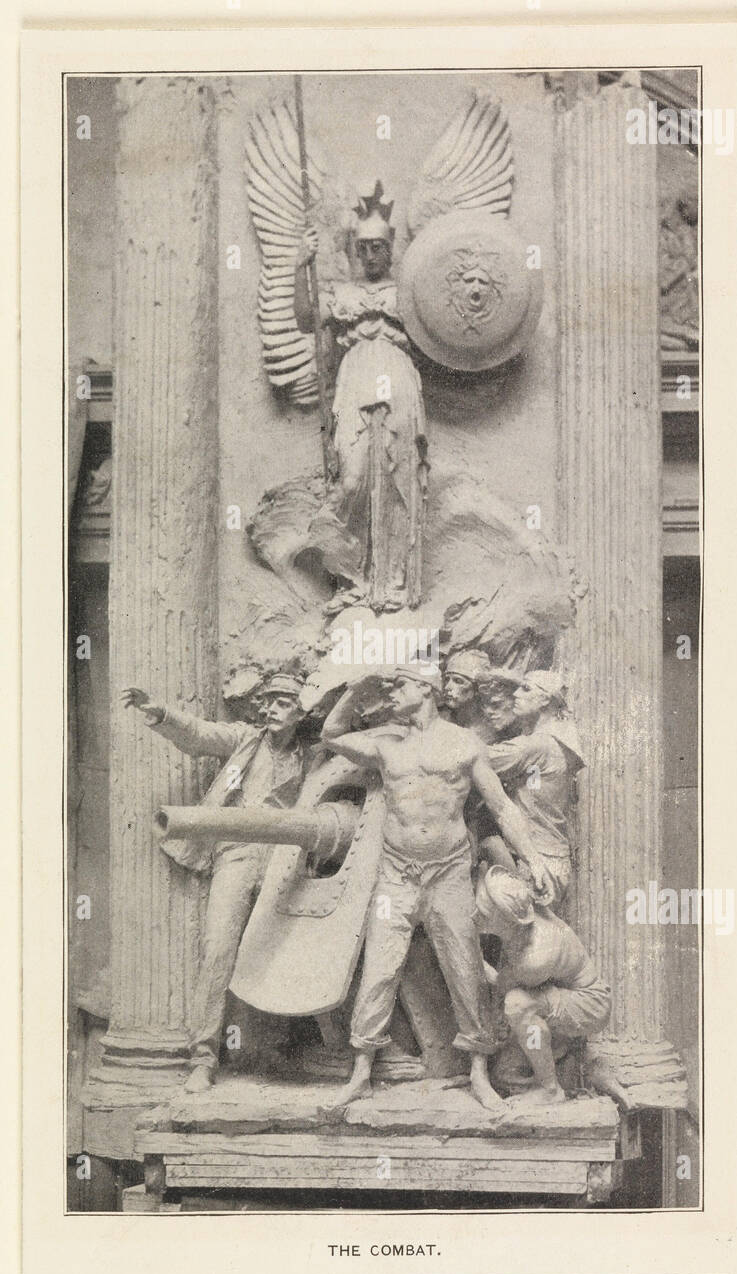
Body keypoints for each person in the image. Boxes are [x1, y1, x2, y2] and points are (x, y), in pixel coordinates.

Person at [320, 662, 551, 1110]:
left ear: (425, 690)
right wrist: (353, 690)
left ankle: (479, 1075)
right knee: (381, 965)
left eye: (397, 687)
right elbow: (331, 736)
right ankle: (361, 1073)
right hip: (397, 874)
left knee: (464, 967)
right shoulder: (386, 744)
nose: (389, 696)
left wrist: (533, 857)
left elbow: (502, 808)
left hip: (447, 873)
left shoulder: (463, 744)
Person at [122, 672, 307, 1093]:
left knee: (279, 950)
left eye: (283, 703)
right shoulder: (246, 738)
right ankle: (202, 1058)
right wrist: (162, 713)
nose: (272, 709)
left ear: (301, 711)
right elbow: (199, 736)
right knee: (219, 949)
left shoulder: (306, 755)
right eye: (270, 701)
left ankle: (269, 1051)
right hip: (238, 852)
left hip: (282, 861)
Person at [295, 183, 428, 612]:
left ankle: (394, 583)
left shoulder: (408, 291)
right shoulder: (343, 295)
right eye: (364, 247)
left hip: (398, 382)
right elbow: (305, 319)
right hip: (354, 381)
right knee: (352, 479)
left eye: (379, 247)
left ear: (390, 249)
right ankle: (353, 580)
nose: (371, 255)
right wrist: (302, 265)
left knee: (396, 477)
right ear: (355, 250)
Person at [475, 865, 611, 1105]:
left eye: (485, 915)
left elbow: (500, 985)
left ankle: (550, 1089)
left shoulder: (534, 959)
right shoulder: (528, 907)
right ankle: (555, 1057)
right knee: (504, 1075)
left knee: (517, 1004)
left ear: (507, 923)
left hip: (590, 1003)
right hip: (559, 991)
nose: (476, 916)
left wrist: (473, 959)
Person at [477, 669, 584, 911]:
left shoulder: (537, 745)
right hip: (551, 856)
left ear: (545, 699)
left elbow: (476, 759)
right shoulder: (554, 742)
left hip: (537, 859)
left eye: (525, 689)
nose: (516, 694)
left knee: (527, 941)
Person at [442, 649, 493, 742]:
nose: (447, 687)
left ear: (478, 689)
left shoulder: (487, 731)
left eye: (458, 681)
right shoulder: (441, 719)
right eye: (446, 680)